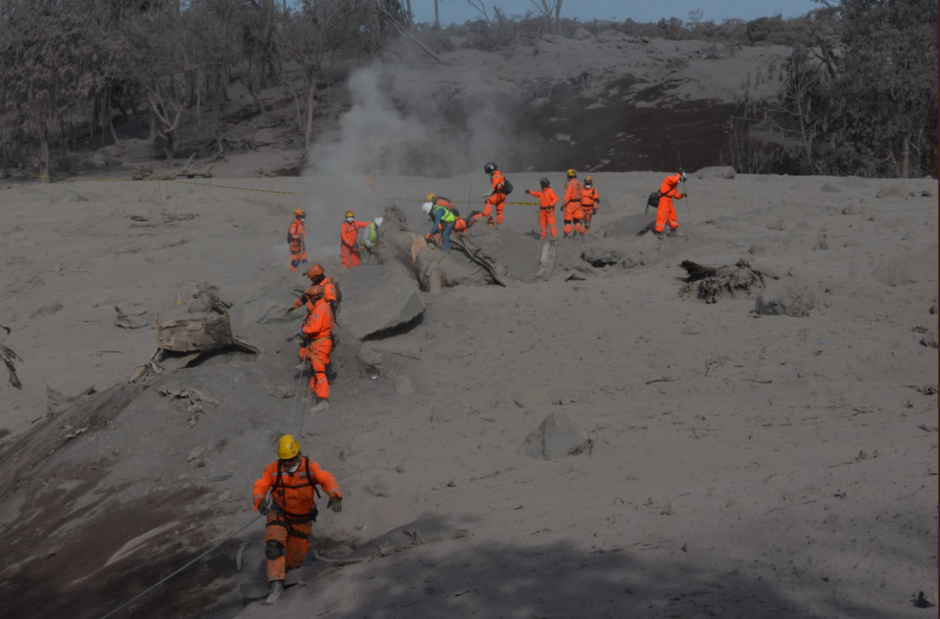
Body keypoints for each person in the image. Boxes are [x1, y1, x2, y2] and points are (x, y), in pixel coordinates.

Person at [252, 434, 343, 605]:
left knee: (295, 560)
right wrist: (260, 501)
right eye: (284, 460)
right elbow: (260, 486)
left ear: (298, 453)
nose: (287, 463)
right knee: (273, 547)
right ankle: (276, 585)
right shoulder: (273, 469)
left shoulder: (312, 467)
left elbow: (327, 479)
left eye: (291, 459)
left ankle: (286, 571)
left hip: (302, 519)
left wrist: (335, 496)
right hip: (279, 514)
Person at [300, 285, 334, 412]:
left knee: (319, 371)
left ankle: (323, 400)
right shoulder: (324, 305)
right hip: (320, 342)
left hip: (321, 343)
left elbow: (315, 328)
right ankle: (314, 394)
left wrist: (303, 330)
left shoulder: (319, 310)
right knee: (315, 369)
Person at [654, 171, 687, 237]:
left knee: (672, 215)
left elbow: (676, 195)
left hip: (669, 200)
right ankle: (658, 232)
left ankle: (673, 230)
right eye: (681, 179)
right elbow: (674, 180)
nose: (680, 181)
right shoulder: (670, 178)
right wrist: (679, 174)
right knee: (662, 215)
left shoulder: (674, 185)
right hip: (664, 199)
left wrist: (681, 195)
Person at [481, 162, 507, 227]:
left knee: (488, 201)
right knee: (499, 211)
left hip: (499, 194)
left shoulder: (496, 175)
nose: (489, 174)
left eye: (489, 172)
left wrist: (488, 193)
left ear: (492, 169)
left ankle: (485, 216)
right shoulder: (499, 174)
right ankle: (499, 225)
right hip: (503, 195)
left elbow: (494, 186)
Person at [562, 169, 583, 239]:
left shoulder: (569, 184)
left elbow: (567, 195)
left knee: (567, 220)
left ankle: (566, 234)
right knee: (577, 219)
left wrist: (563, 204)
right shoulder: (580, 184)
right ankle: (576, 233)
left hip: (570, 204)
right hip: (579, 204)